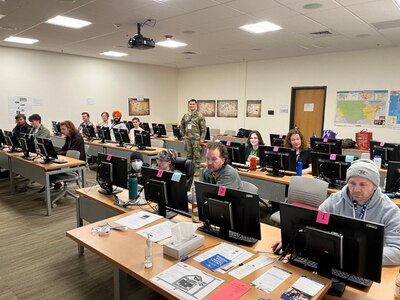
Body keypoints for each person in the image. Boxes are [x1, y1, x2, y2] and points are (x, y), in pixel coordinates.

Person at [272, 159, 400, 266]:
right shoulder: (335, 200)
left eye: (363, 184)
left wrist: (359, 256)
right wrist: (293, 241)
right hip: (335, 260)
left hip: (368, 266)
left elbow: (397, 252)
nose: (356, 189)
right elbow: (315, 224)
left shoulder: (390, 211)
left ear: (375, 186)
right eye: (352, 183)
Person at [180, 99, 206, 176]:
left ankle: (197, 169)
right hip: (188, 139)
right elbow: (182, 125)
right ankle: (189, 169)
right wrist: (183, 135)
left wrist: (202, 139)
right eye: (190, 104)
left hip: (196, 139)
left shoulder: (200, 116)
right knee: (188, 155)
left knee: (197, 155)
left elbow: (203, 129)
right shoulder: (186, 115)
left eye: (193, 104)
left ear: (196, 105)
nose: (191, 106)